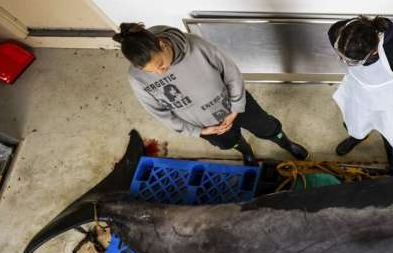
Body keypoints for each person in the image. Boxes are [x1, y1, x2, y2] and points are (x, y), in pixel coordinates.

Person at [113, 23, 308, 165]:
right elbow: (159, 112)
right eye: (151, 72)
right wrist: (197, 131)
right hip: (206, 124)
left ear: (163, 45)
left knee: (267, 126)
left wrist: (236, 108)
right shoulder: (137, 78)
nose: (160, 73)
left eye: (161, 65)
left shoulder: (196, 46)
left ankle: (286, 143)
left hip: (234, 103)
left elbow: (231, 73)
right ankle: (247, 153)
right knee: (229, 141)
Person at [328, 16, 393, 175]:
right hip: (357, 91)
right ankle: (358, 136)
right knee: (355, 122)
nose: (341, 60)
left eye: (349, 61)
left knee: (390, 126)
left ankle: (390, 147)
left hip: (390, 98)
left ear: (374, 51)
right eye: (341, 55)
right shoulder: (338, 32)